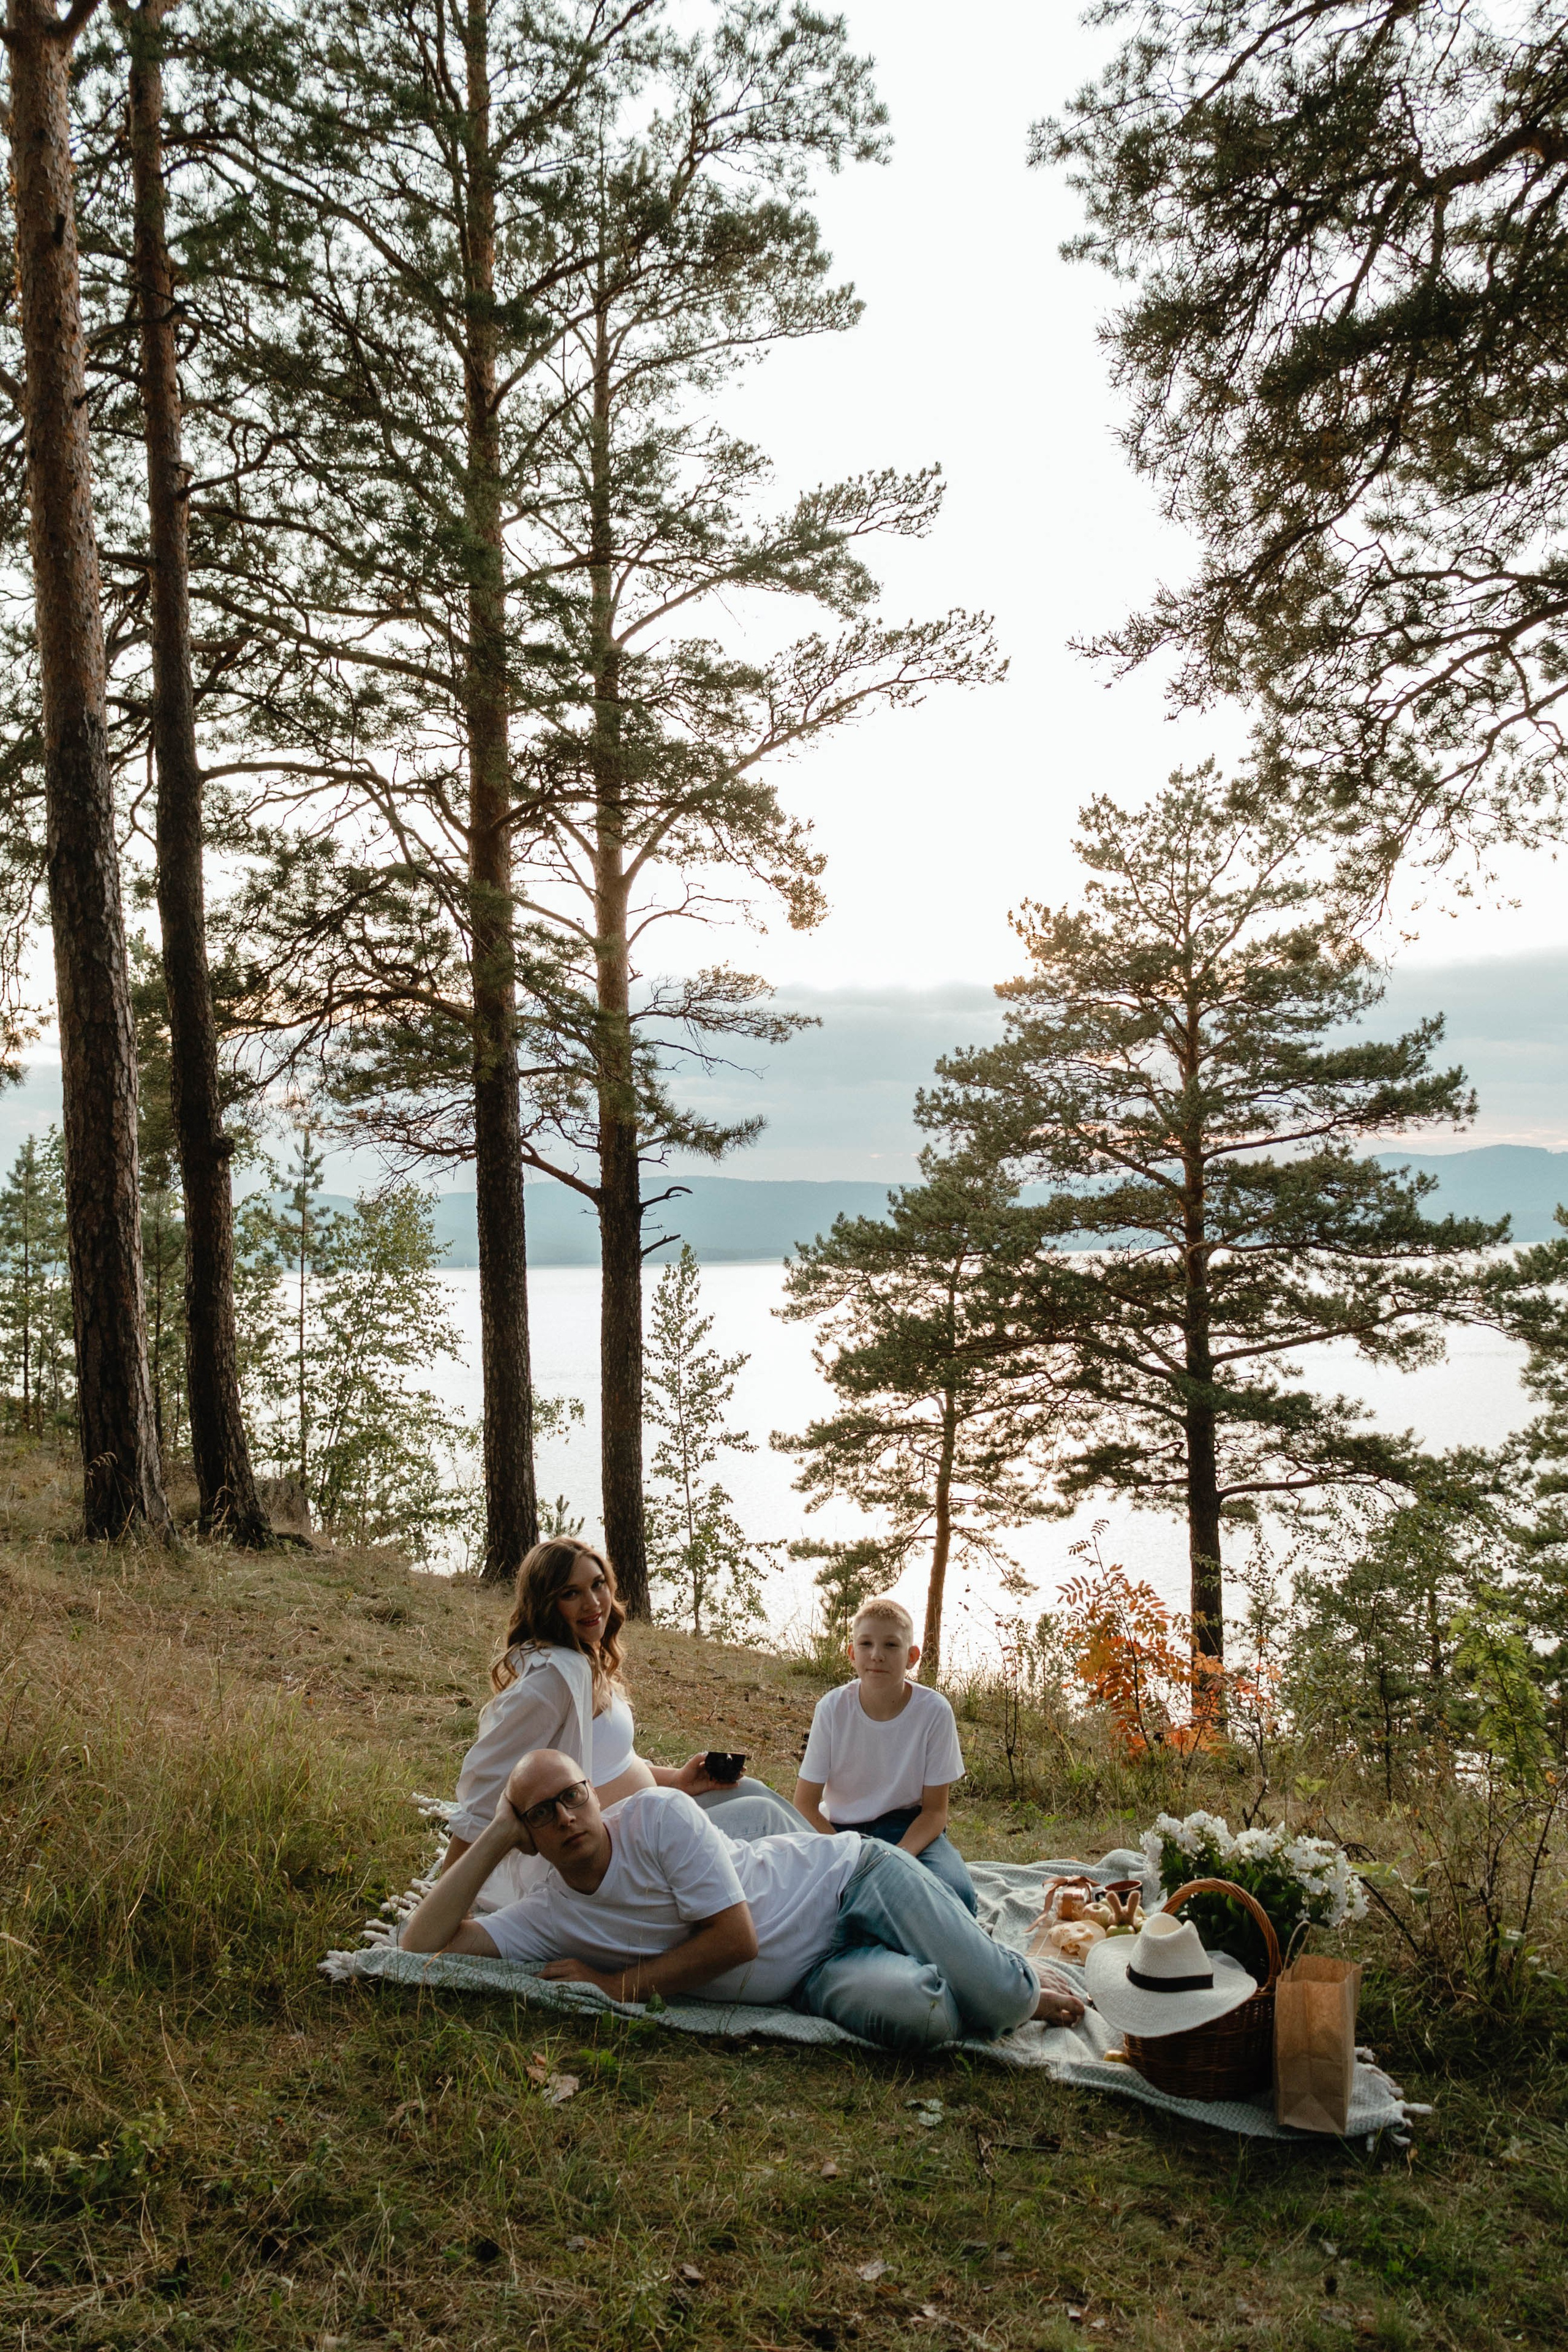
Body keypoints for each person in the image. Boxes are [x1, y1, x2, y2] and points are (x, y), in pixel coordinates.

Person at [399, 1750, 1087, 2052]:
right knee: (925, 2017)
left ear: (593, 1794)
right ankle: (966, 1961)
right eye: (541, 1815)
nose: (567, 1818)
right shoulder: (550, 1912)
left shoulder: (658, 1817)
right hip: (811, 1979)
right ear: (528, 1836)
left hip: (849, 1879)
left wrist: (619, 1985)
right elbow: (420, 1946)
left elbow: (735, 1943)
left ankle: (1005, 1972)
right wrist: (492, 1836)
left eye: (573, 1796)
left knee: (999, 2006)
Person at [442, 1539, 804, 1906]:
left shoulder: (585, 1658)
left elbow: (612, 1760)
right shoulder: (552, 1681)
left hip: (653, 1817)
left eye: (598, 1584)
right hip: (615, 1851)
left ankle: (845, 1869)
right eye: (571, 1593)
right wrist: (447, 1899)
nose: (593, 1603)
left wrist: (676, 1779)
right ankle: (846, 1875)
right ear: (547, 1603)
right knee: (765, 1818)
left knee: (753, 1792)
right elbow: (482, 1794)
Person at [793, 1596, 978, 1914]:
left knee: (958, 1896)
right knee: (806, 1900)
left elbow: (935, 1812)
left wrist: (897, 1858)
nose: (876, 1656)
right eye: (866, 1644)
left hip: (909, 1828)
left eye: (891, 1645)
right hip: (841, 1830)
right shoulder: (833, 1709)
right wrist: (848, 1856)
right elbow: (805, 1804)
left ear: (912, 1656)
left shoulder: (934, 1712)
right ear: (852, 1654)